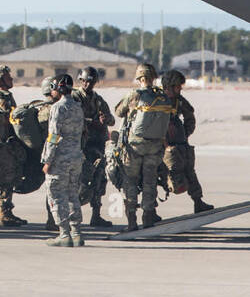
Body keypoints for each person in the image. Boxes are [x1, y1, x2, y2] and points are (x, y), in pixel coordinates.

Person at [115, 63, 172, 230]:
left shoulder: (135, 94)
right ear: (153, 77)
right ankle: (148, 218)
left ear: (140, 78)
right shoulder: (161, 96)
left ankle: (132, 222)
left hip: (135, 145)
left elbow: (119, 112)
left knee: (130, 181)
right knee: (150, 181)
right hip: (155, 145)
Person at [160, 69, 214, 214]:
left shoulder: (179, 101)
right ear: (169, 85)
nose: (180, 89)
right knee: (157, 176)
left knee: (190, 171)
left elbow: (190, 118)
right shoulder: (156, 100)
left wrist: (183, 134)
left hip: (180, 144)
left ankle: (198, 202)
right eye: (178, 86)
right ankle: (149, 212)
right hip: (161, 146)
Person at [41, 74, 84, 248]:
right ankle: (77, 233)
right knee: (73, 194)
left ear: (58, 88)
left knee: (57, 195)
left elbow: (53, 136)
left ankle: (64, 234)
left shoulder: (58, 108)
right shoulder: (78, 107)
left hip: (60, 158)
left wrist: (48, 160)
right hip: (76, 157)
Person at [72, 66, 114, 229]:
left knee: (100, 180)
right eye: (85, 81)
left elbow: (111, 120)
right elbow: (74, 120)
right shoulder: (74, 98)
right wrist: (92, 122)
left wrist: (106, 119)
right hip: (81, 146)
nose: (88, 84)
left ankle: (96, 215)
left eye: (91, 81)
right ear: (80, 81)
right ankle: (71, 214)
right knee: (81, 181)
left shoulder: (98, 99)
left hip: (97, 146)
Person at [0, 64, 27, 228]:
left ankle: (7, 212)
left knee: (10, 177)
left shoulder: (6, 95)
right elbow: (7, 113)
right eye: (8, 77)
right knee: (5, 178)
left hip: (8, 143)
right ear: (0, 80)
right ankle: (3, 214)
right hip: (2, 144)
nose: (11, 79)